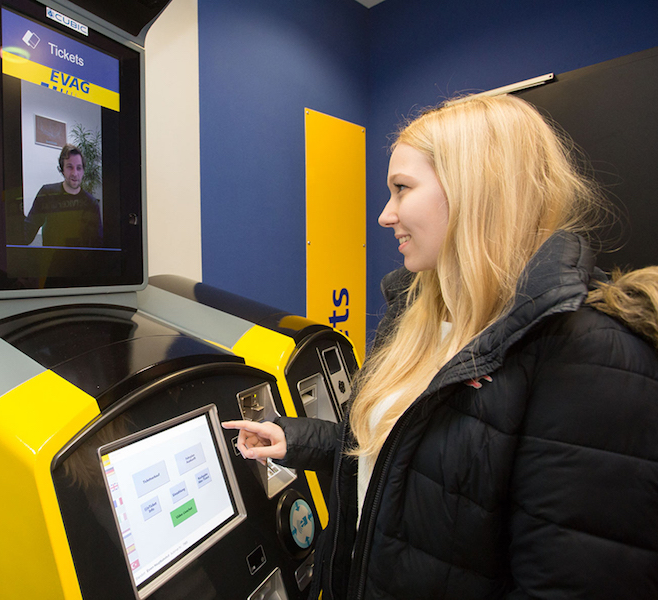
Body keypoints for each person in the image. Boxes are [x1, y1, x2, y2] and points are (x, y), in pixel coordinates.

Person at [223, 94, 658, 599]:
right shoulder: (418, 316)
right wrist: (298, 440)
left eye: (401, 189)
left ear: (477, 191)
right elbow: (401, 463)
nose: (386, 216)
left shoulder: (590, 356)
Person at [24, 144, 103, 247]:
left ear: (83, 171)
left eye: (79, 168)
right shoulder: (47, 194)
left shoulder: (91, 203)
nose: (75, 173)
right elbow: (27, 233)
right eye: (70, 167)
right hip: (51, 261)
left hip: (80, 262)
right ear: (62, 170)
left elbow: (98, 243)